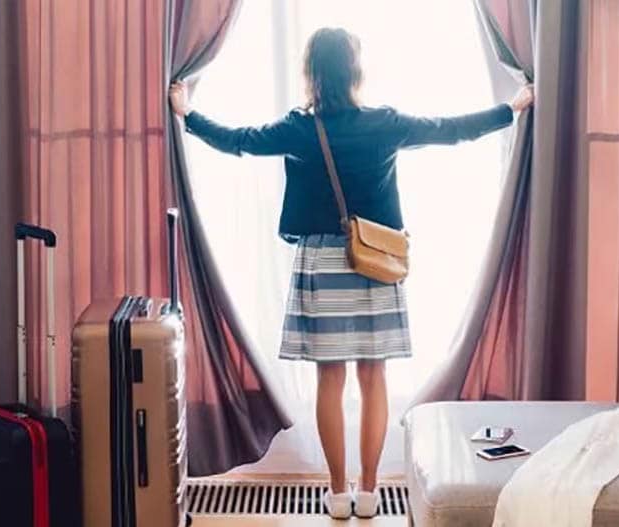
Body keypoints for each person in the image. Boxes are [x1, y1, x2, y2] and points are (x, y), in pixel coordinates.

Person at [170, 27, 532, 520]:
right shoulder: (382, 123)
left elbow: (239, 142)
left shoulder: (300, 128)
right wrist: (512, 107)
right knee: (374, 376)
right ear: (355, 70)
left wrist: (187, 114)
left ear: (312, 73)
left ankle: (337, 493)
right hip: (376, 264)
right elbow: (450, 130)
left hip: (321, 264)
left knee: (330, 380)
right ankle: (369, 490)